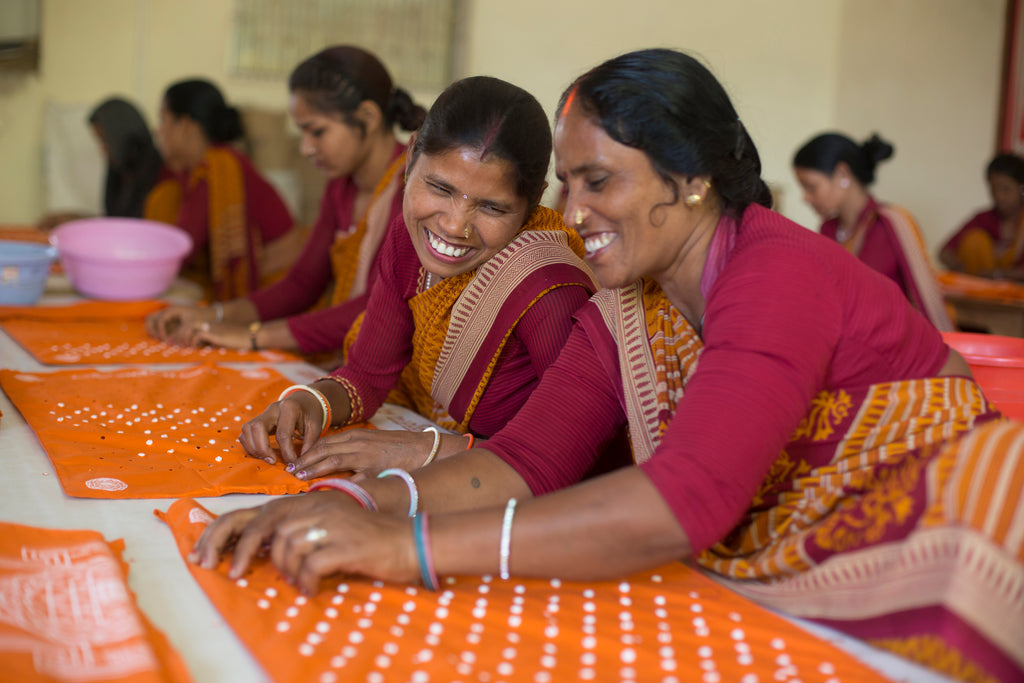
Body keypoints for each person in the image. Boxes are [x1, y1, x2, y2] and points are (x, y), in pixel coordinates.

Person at [192, 49, 1024, 683]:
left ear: (691, 180)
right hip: (792, 558)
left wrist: (404, 547)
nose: (571, 213)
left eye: (598, 182)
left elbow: (681, 502)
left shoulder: (777, 274)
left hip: (952, 538)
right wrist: (341, 503)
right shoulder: (630, 303)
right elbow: (526, 460)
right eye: (566, 184)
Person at [234, 74, 598, 480]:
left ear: (532, 204)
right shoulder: (408, 243)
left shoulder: (547, 289)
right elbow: (366, 378)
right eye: (440, 188)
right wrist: (309, 403)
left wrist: (422, 450)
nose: (454, 225)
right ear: (409, 162)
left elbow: (575, 458)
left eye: (492, 208)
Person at [146, 46, 425, 355]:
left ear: (368, 117)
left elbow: (375, 309)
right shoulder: (340, 187)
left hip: (400, 372)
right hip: (354, 355)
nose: (305, 148)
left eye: (317, 131)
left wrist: (253, 336)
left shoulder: (413, 189)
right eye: (302, 133)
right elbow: (302, 283)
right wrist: (213, 315)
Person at [143, 78, 300, 301]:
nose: (158, 130)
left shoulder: (218, 165)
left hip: (279, 285)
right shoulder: (189, 170)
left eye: (163, 120)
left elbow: (182, 247)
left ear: (186, 126)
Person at [793, 132, 953, 330]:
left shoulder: (891, 223)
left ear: (842, 174)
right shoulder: (828, 230)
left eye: (811, 187)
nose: (805, 198)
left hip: (892, 343)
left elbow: (926, 299)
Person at [37, 97, 164, 229]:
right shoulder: (118, 171)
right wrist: (71, 219)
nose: (102, 150)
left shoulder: (159, 173)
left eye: (104, 141)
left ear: (121, 136)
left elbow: (134, 229)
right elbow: (114, 221)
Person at [940, 153, 1024, 278]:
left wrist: (999, 274)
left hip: (1017, 294)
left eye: (1005, 189)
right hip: (980, 292)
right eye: (993, 189)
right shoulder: (984, 218)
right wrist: (962, 268)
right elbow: (945, 252)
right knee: (975, 240)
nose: (999, 196)